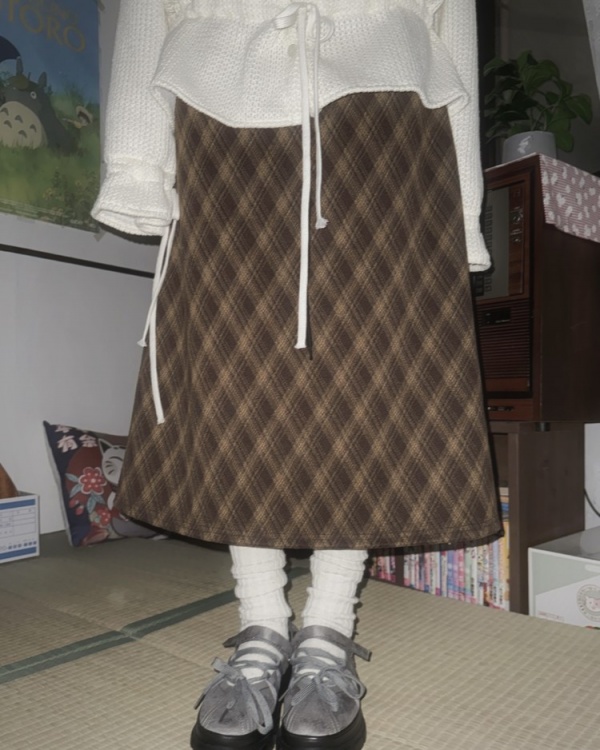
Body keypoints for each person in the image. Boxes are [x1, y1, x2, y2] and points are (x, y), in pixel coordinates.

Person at [92, 2, 501, 749]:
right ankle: (262, 626)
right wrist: (135, 167)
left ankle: (328, 630)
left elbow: (454, 31)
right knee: (236, 375)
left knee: (366, 371)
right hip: (221, 108)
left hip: (390, 118)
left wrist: (463, 213)